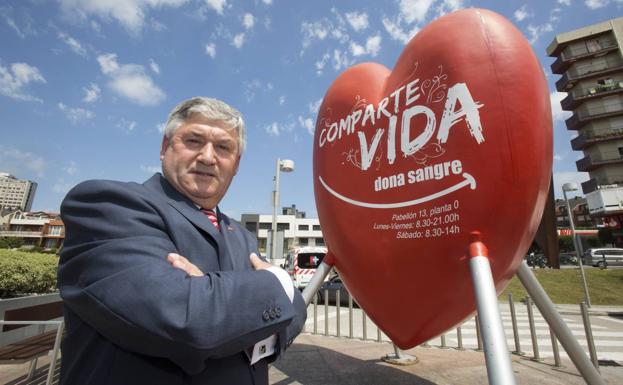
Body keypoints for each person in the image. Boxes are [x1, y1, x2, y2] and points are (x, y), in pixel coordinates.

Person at [57, 97, 307, 385]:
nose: (208, 157)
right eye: (193, 140)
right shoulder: (108, 206)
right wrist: (279, 282)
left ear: (236, 164)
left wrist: (217, 300)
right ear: (165, 148)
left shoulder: (242, 235)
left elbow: (295, 312)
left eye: (223, 147)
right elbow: (185, 319)